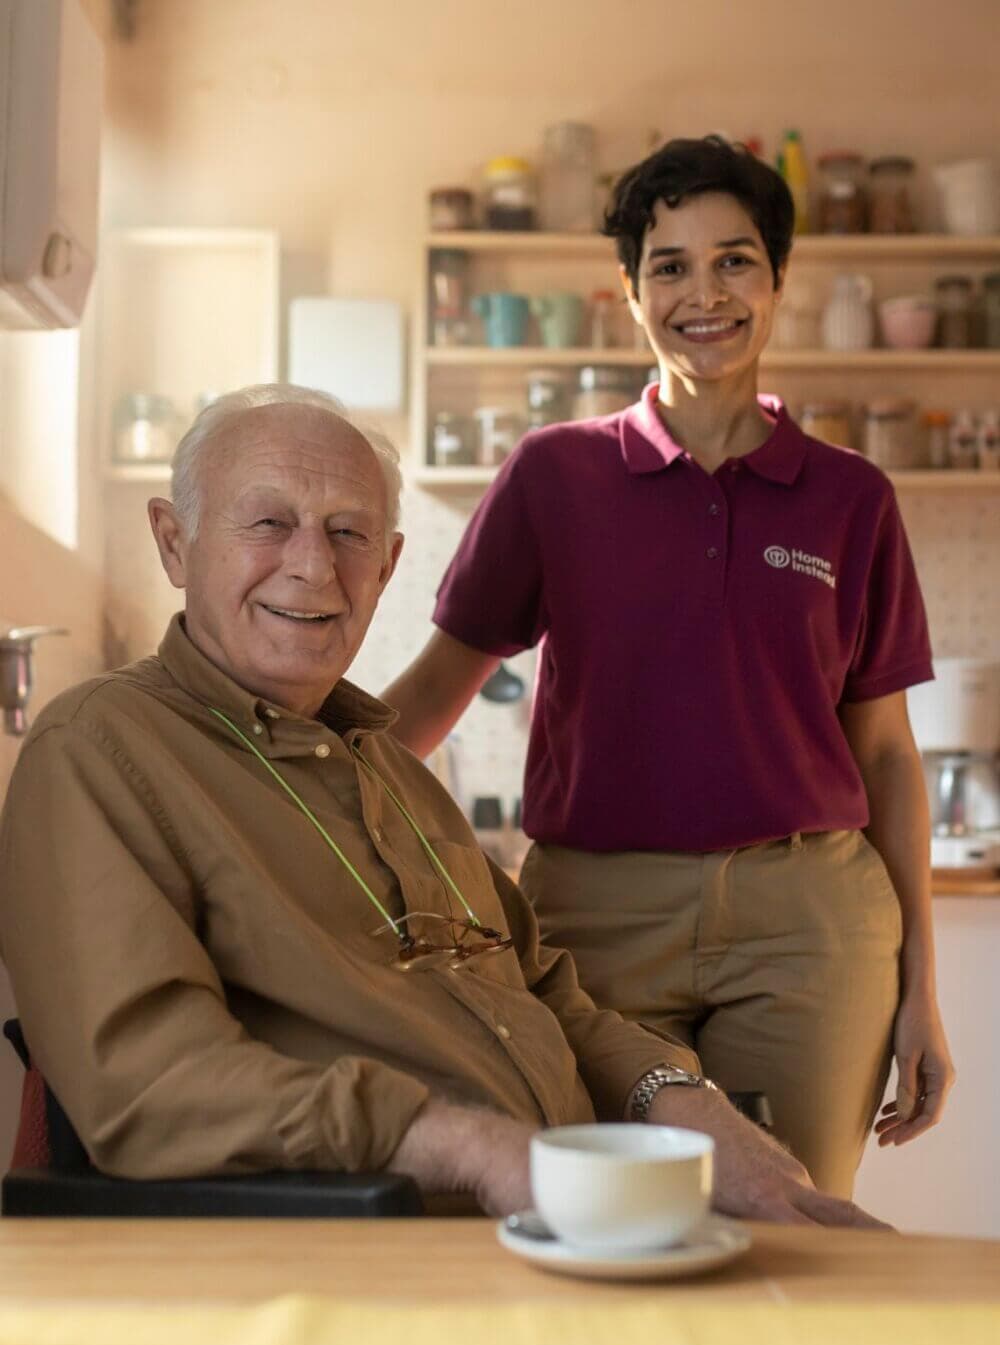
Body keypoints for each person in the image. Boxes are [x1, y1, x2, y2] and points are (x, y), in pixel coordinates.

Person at [0, 382, 882, 1227]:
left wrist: (681, 1098)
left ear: (386, 568)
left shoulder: (394, 769)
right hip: (393, 1247)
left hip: (565, 1217)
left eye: (349, 534)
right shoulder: (100, 748)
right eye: (269, 523)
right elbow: (149, 1085)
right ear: (173, 541)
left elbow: (544, 992)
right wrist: (469, 1148)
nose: (313, 566)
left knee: (846, 1286)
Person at [382, 137, 955, 1199]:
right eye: (670, 265)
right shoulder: (553, 476)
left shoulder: (851, 498)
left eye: (735, 261)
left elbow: (885, 757)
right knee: (606, 1215)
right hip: (592, 922)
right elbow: (429, 694)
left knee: (791, 1225)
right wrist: (275, 792)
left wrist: (924, 985)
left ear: (779, 281)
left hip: (810, 925)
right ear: (629, 292)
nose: (705, 293)